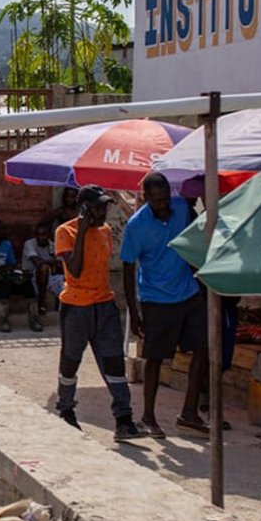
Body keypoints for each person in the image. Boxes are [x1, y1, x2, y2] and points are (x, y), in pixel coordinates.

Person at [121, 173, 213, 437]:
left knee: (203, 348)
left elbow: (195, 234)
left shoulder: (181, 208)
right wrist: (134, 311)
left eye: (165, 199)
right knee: (155, 358)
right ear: (146, 198)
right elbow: (128, 268)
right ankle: (148, 416)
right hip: (156, 298)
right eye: (157, 200)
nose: (163, 205)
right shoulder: (136, 226)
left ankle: (189, 412)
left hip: (188, 291)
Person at [54, 185, 143, 441]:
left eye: (104, 207)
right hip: (76, 306)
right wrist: (81, 233)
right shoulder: (65, 232)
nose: (102, 212)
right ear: (83, 209)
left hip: (104, 304)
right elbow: (76, 270)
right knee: (71, 360)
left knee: (114, 361)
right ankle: (66, 409)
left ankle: (124, 418)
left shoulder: (105, 231)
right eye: (96, 207)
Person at [0, 220, 43, 332]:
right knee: (4, 282)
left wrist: (18, 271)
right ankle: (3, 319)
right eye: (1, 230)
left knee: (26, 282)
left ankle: (34, 317)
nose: (4, 232)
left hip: (6, 274)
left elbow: (12, 263)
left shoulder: (7, 244)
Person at [22, 222, 63, 315]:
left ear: (48, 235)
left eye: (43, 235)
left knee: (64, 281)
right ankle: (41, 302)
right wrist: (53, 262)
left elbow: (61, 263)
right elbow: (37, 263)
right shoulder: (29, 244)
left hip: (50, 276)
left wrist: (56, 263)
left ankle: (61, 310)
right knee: (43, 268)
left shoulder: (53, 245)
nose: (40, 238)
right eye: (38, 235)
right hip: (32, 276)